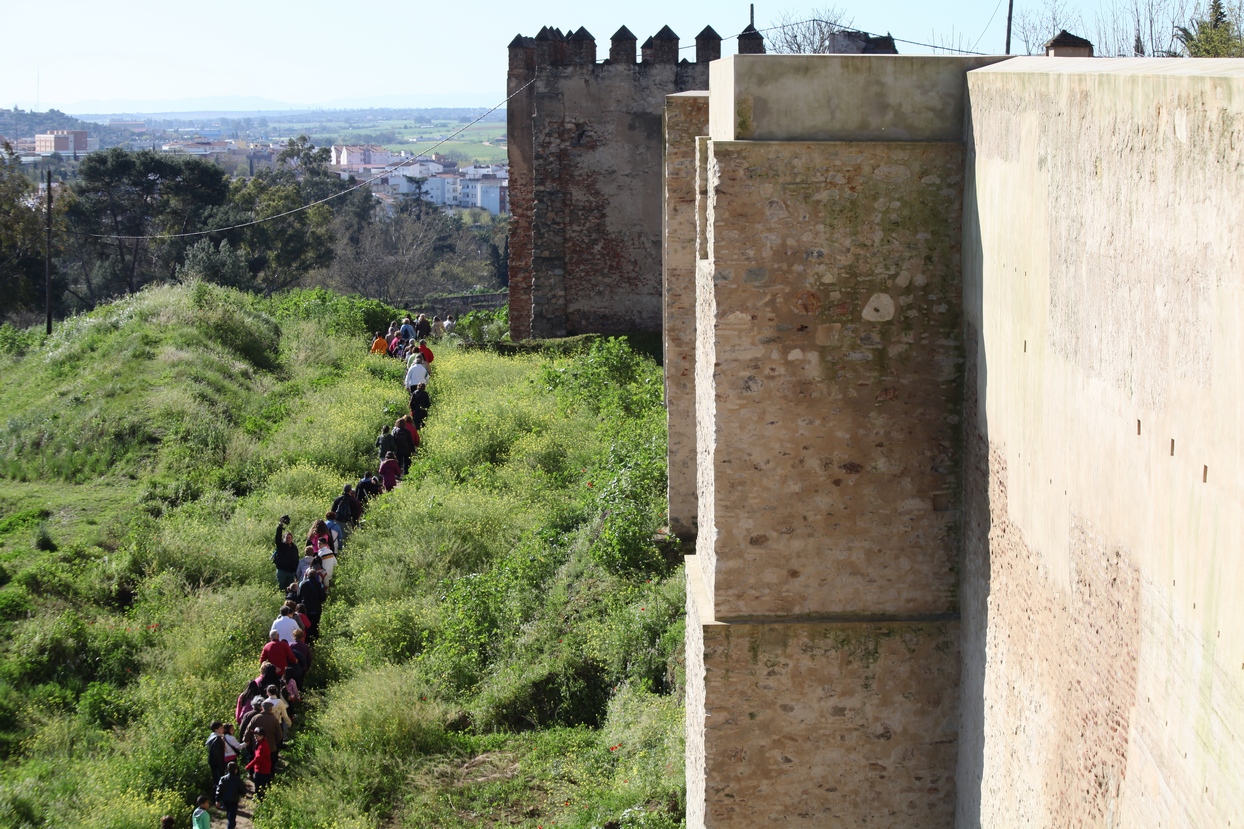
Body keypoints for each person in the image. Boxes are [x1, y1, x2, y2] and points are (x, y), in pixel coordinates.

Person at [273, 518, 299, 591]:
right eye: (286, 538)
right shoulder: (281, 546)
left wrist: (297, 572)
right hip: (282, 571)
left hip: (291, 572)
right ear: (284, 538)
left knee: (290, 589)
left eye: (289, 538)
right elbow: (277, 537)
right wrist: (280, 525)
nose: (288, 539)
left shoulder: (294, 548)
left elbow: (296, 559)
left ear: (292, 538)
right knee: (281, 588)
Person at [246, 728, 274, 799]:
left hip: (262, 769)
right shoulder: (261, 742)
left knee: (260, 785)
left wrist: (248, 766)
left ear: (262, 736)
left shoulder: (262, 746)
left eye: (257, 736)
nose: (255, 738)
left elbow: (258, 758)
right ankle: (261, 798)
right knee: (262, 785)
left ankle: (260, 799)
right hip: (262, 768)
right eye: (254, 736)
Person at [215, 761, 244, 829]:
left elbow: (218, 789)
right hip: (234, 800)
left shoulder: (223, 779)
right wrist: (241, 793)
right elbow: (243, 790)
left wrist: (217, 800)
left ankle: (232, 825)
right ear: (236, 770)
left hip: (225, 800)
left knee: (229, 814)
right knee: (232, 816)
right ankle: (231, 826)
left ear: (227, 770)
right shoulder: (238, 780)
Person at [206, 721, 227, 785]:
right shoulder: (217, 739)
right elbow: (217, 754)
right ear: (216, 730)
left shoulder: (212, 737)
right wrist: (221, 767)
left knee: (216, 780)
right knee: (219, 782)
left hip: (213, 763)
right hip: (217, 764)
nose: (223, 729)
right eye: (221, 728)